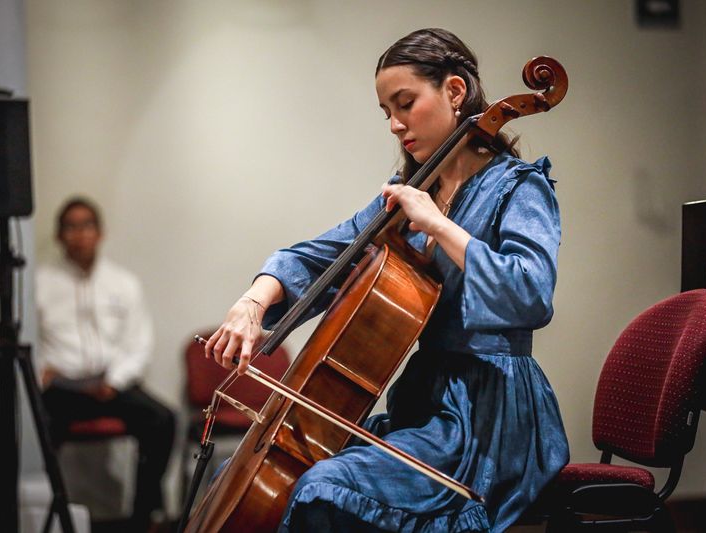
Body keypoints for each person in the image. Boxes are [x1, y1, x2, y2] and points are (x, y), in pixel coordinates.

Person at [205, 28, 569, 532]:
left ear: (455, 91)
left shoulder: (519, 187)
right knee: (253, 472)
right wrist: (251, 304)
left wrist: (441, 226)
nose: (396, 125)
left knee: (322, 492)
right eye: (386, 113)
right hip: (425, 406)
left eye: (405, 104)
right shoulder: (407, 195)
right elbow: (315, 258)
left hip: (491, 419)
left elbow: (530, 293)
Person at [37, 197, 175, 532]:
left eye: (87, 226)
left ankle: (143, 518)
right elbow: (32, 339)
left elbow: (139, 343)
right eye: (71, 227)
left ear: (99, 233)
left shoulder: (123, 283)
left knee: (163, 420)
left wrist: (114, 381)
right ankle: (50, 517)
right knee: (35, 430)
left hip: (111, 386)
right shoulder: (39, 282)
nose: (80, 234)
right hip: (63, 389)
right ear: (59, 235)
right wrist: (46, 372)